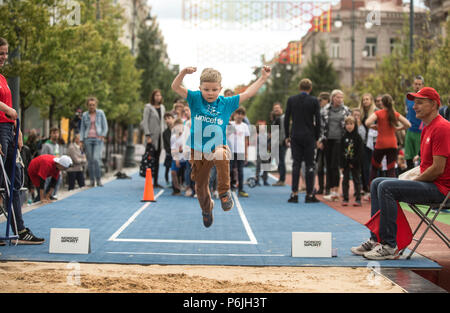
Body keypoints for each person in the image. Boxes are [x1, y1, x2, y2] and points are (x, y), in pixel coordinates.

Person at [352, 87, 450, 260]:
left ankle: (390, 245)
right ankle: (377, 239)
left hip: (441, 190)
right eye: (414, 102)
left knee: (386, 186)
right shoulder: (427, 128)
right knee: (376, 182)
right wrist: (411, 178)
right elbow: (427, 166)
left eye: (420, 102)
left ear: (434, 104)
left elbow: (437, 169)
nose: (414, 107)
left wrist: (415, 180)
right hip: (430, 183)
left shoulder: (442, 128)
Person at [171, 66, 271, 227]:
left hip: (217, 146)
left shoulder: (226, 103)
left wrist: (263, 78)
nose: (210, 93)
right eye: (206, 89)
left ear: (220, 89)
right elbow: (175, 87)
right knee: (200, 186)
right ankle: (206, 208)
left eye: (214, 89)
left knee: (221, 154)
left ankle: (224, 192)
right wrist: (183, 73)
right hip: (197, 151)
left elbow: (248, 93)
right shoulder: (195, 98)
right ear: (200, 88)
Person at [0, 37, 45, 245]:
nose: (4, 57)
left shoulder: (2, 78)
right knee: (2, 182)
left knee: (15, 181)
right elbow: (6, 107)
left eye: (6, 53)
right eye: (1, 53)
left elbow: (12, 108)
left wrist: (17, 131)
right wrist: (6, 109)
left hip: (9, 129)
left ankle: (19, 228)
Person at [285, 79, 321, 203]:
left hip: (295, 135)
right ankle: (309, 194)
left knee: (296, 164)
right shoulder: (314, 101)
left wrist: (287, 135)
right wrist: (317, 137)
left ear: (299, 88)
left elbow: (286, 119)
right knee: (310, 165)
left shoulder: (291, 100)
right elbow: (318, 120)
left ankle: (294, 194)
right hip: (309, 136)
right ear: (310, 89)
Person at [365, 94, 411, 183]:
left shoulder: (378, 113)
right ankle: (392, 189)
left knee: (374, 167)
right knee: (391, 169)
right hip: (392, 144)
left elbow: (367, 123)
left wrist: (375, 127)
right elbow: (408, 124)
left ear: (382, 103)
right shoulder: (395, 114)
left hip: (380, 144)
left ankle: (371, 189)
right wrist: (398, 128)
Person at [320, 89, 350, 202]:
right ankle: (330, 189)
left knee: (335, 165)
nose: (340, 99)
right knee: (328, 165)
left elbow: (349, 125)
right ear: (333, 98)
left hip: (340, 140)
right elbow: (321, 126)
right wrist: (320, 140)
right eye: (338, 97)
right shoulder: (325, 110)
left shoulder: (346, 110)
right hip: (327, 140)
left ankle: (335, 191)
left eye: (342, 97)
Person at [79, 96, 108, 187]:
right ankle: (92, 181)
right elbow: (82, 128)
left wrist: (103, 135)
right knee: (90, 160)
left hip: (98, 139)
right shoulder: (84, 115)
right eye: (90, 105)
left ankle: (98, 179)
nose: (92, 106)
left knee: (96, 159)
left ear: (96, 105)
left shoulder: (100, 113)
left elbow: (105, 125)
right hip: (88, 139)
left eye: (93, 105)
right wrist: (81, 140)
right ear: (87, 105)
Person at [141, 89, 166, 188]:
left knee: (157, 160)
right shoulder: (148, 107)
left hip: (160, 138)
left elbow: (162, 122)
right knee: (150, 159)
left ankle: (155, 181)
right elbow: (145, 122)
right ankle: (149, 181)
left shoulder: (163, 107)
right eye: (156, 95)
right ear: (153, 97)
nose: (158, 97)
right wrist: (147, 136)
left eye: (159, 95)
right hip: (151, 137)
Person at [227, 106, 250, 197]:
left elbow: (246, 140)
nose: (239, 116)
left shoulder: (245, 126)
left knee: (240, 171)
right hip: (231, 151)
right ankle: (228, 188)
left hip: (240, 151)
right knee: (229, 170)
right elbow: (226, 136)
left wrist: (246, 153)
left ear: (244, 116)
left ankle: (241, 189)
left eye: (241, 114)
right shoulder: (230, 124)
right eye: (238, 114)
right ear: (234, 115)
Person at [340, 116, 363, 206]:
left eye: (351, 124)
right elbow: (341, 151)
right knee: (345, 181)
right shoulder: (343, 137)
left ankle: (358, 199)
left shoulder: (358, 137)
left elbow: (360, 152)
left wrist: (354, 162)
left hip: (355, 163)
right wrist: (343, 164)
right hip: (346, 163)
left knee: (356, 180)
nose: (349, 126)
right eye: (347, 124)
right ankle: (345, 198)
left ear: (355, 125)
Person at [357, 94, 377, 194]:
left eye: (367, 99)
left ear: (371, 100)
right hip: (363, 142)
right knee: (364, 165)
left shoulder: (375, 111)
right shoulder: (360, 113)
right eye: (363, 99)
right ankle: (365, 187)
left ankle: (372, 187)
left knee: (373, 165)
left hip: (373, 141)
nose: (365, 101)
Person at [404, 76, 425, 170]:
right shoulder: (408, 97)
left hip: (420, 131)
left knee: (420, 157)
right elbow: (407, 112)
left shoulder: (425, 98)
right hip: (410, 130)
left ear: (422, 85)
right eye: (415, 84)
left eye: (419, 84)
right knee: (408, 157)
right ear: (413, 85)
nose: (417, 86)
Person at [315, 92, 330, 194]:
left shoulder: (329, 111)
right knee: (320, 166)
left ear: (326, 100)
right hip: (320, 141)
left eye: (321, 100)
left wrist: (321, 140)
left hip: (328, 141)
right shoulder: (319, 111)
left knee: (328, 166)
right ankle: (321, 187)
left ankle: (328, 188)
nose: (319, 102)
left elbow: (326, 127)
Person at [170, 118, 188, 195]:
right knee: (173, 172)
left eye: (180, 126)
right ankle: (176, 189)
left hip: (185, 158)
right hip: (177, 158)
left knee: (186, 173)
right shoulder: (173, 137)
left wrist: (182, 150)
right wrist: (176, 159)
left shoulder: (186, 136)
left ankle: (188, 187)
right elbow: (173, 149)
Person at [271, 102, 286, 186]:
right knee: (279, 161)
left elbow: (283, 131)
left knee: (281, 161)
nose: (276, 109)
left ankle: (282, 180)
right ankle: (281, 179)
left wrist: (281, 142)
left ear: (281, 109)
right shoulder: (276, 119)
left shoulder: (282, 118)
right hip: (277, 143)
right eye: (275, 108)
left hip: (280, 143)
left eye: (278, 108)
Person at [255, 120, 270, 186]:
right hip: (259, 153)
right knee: (258, 167)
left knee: (266, 168)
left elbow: (268, 144)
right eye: (261, 126)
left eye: (263, 126)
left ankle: (265, 180)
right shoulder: (257, 135)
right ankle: (257, 180)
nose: (262, 127)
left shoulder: (267, 135)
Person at [162, 112, 175, 188]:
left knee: (177, 169)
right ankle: (167, 182)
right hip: (169, 154)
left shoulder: (178, 130)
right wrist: (170, 152)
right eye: (166, 119)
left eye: (169, 118)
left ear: (173, 119)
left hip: (177, 153)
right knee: (167, 168)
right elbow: (165, 145)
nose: (167, 120)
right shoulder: (165, 133)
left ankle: (178, 182)